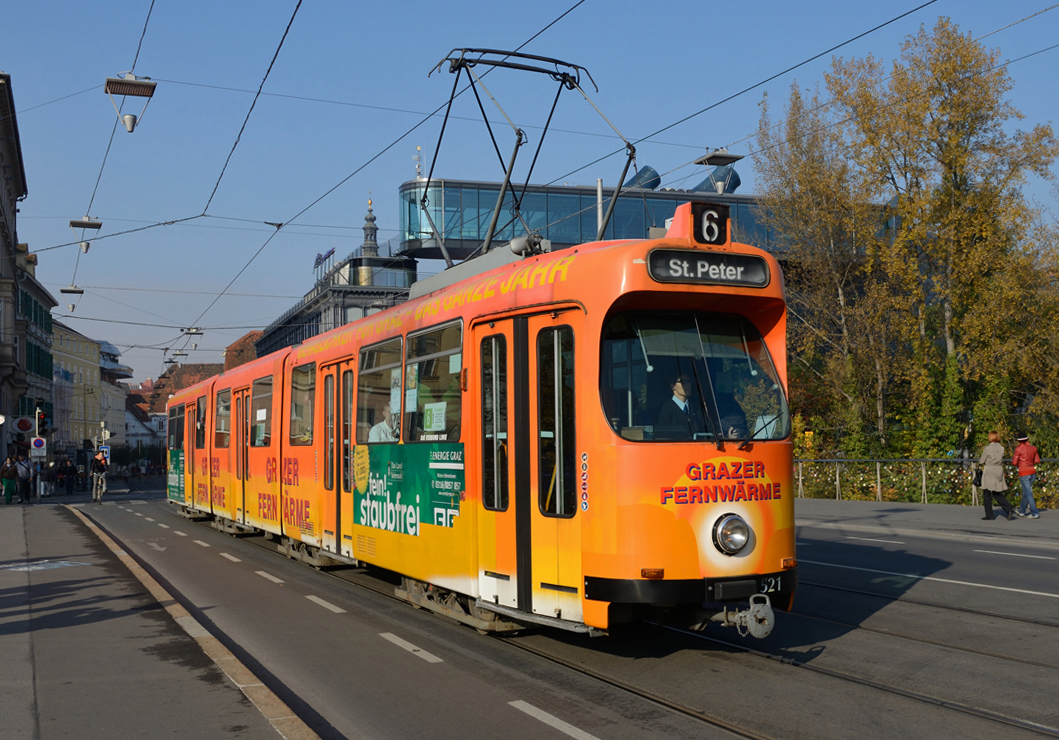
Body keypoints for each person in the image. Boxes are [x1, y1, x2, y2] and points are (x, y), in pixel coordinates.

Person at [656, 375, 706, 440]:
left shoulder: (697, 407)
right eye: (683, 382)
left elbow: (708, 428)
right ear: (673, 386)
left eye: (689, 381)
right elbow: (661, 435)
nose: (689, 385)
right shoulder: (665, 408)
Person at [979, 431, 1014, 520]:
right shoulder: (1001, 448)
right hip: (998, 469)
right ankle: (1008, 507)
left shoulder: (987, 449)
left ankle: (989, 515)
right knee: (996, 492)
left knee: (986, 492)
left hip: (990, 470)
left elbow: (982, 461)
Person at [1011, 433, 1042, 519]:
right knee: (1026, 492)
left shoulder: (1019, 449)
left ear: (1019, 441)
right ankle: (1022, 511)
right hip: (1032, 472)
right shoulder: (1033, 449)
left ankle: (1034, 513)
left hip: (1024, 473)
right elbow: (1037, 460)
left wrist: (1020, 464)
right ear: (1027, 439)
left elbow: (1014, 462)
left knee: (1028, 493)